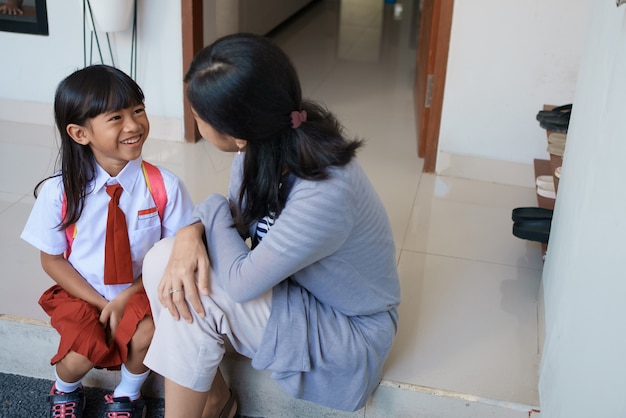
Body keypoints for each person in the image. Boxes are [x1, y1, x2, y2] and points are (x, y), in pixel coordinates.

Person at [142, 33, 401, 418]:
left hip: (348, 332)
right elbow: (234, 221)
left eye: (199, 118)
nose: (196, 125)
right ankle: (214, 400)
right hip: (293, 291)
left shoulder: (325, 192)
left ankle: (205, 407)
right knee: (162, 261)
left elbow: (241, 282)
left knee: (202, 290)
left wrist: (205, 213)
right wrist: (186, 235)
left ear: (237, 135)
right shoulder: (265, 147)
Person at [20, 64, 194, 418]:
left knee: (146, 331)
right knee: (82, 355)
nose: (133, 125)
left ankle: (128, 394)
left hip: (141, 289)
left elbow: (175, 255)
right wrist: (101, 303)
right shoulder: (59, 193)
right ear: (80, 133)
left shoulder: (164, 186)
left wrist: (126, 298)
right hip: (82, 291)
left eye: (138, 110)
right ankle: (65, 387)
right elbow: (52, 260)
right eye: (116, 117)